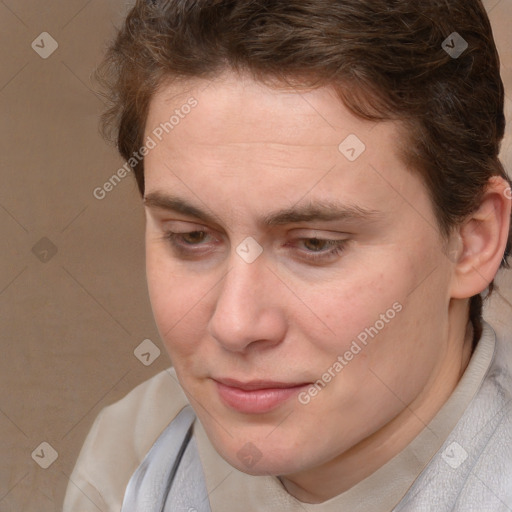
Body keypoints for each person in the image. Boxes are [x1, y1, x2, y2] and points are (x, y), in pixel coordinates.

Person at [63, 0, 512, 510]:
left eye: (316, 244)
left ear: (473, 242)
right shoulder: (131, 457)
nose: (235, 325)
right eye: (192, 236)